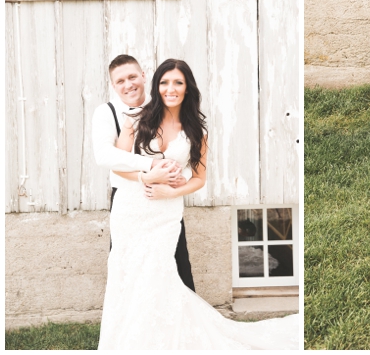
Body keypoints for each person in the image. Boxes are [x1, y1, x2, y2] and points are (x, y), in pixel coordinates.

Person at [98, 58, 298, 350]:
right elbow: (118, 166)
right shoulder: (138, 118)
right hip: (131, 209)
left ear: (187, 88)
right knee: (126, 277)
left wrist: (171, 193)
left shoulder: (197, 132)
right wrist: (146, 176)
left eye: (178, 82)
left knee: (159, 277)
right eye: (165, 82)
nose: (171, 88)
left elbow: (199, 179)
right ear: (157, 86)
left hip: (165, 214)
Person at [92, 54, 195, 289]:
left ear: (143, 76)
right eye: (120, 81)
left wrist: (178, 178)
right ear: (113, 85)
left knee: (176, 265)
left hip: (164, 199)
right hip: (128, 200)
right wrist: (149, 168)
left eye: (132, 77)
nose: (128, 85)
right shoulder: (106, 113)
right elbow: (105, 156)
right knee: (128, 268)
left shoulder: (163, 105)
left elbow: (184, 148)